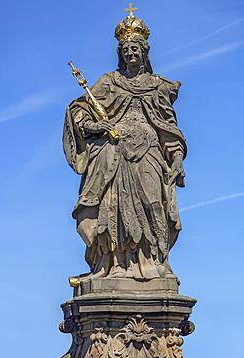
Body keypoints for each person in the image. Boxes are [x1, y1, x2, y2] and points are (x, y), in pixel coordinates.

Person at [63, 12, 186, 281]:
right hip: (114, 152)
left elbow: (169, 129)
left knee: (154, 203)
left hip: (150, 151)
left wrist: (176, 159)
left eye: (135, 49)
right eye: (126, 49)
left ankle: (155, 263)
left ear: (145, 52)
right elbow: (79, 112)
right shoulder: (109, 82)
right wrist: (99, 127)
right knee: (113, 209)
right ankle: (114, 265)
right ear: (121, 53)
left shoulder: (158, 87)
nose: (131, 53)